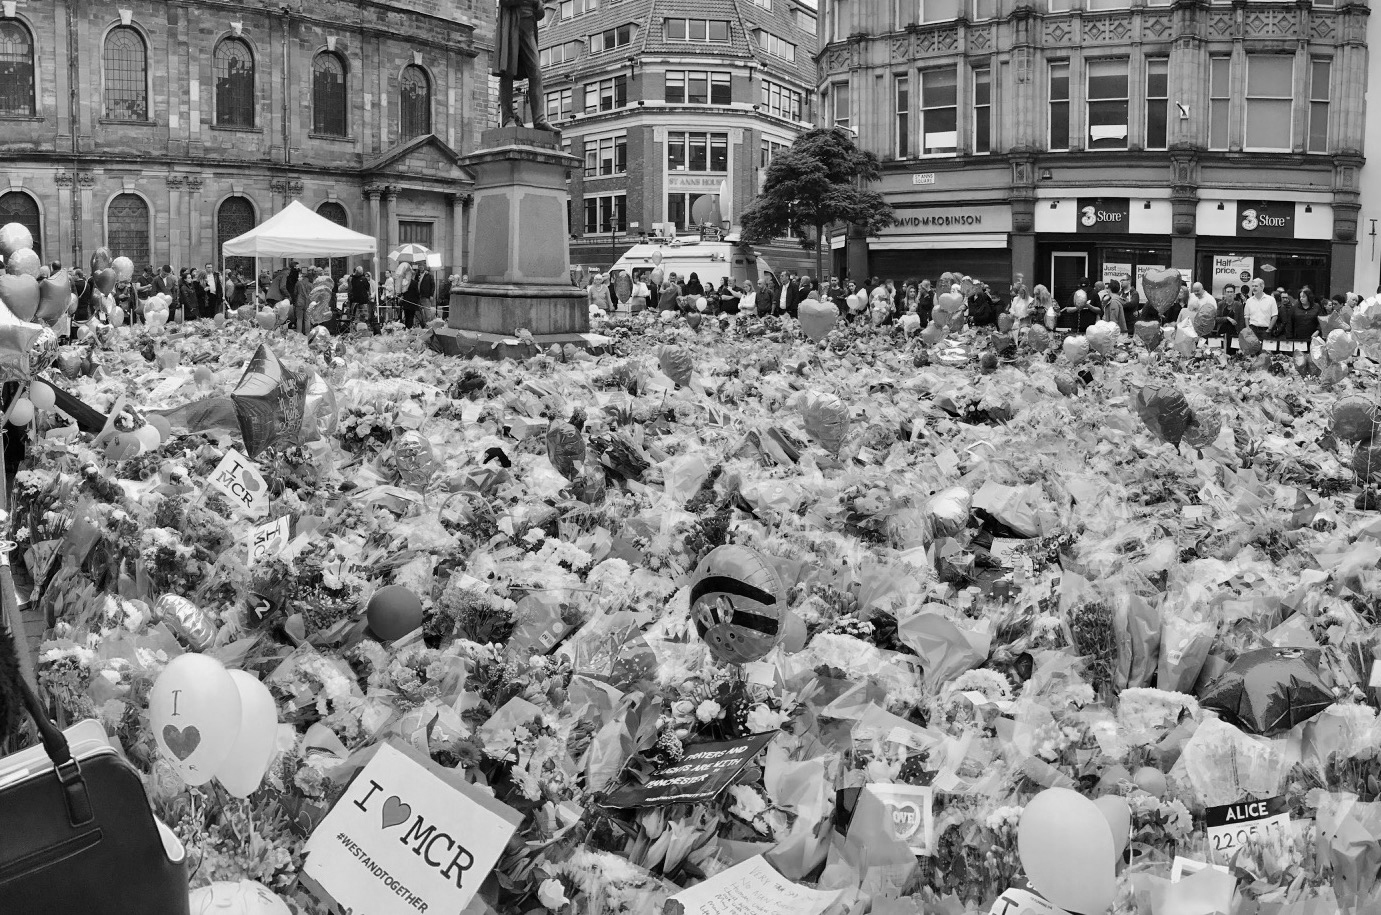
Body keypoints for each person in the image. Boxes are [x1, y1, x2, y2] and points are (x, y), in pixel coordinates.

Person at [494, 0, 557, 131]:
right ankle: (507, 118)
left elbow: (540, 13)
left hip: (529, 27)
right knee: (507, 71)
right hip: (511, 25)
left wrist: (538, 5)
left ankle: (539, 120)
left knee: (536, 71)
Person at [294, 265, 315, 333]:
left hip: (299, 302)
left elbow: (295, 293)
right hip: (308, 303)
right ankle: (307, 334)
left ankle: (299, 334)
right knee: (307, 319)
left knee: (299, 319)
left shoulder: (298, 283)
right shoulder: (311, 285)